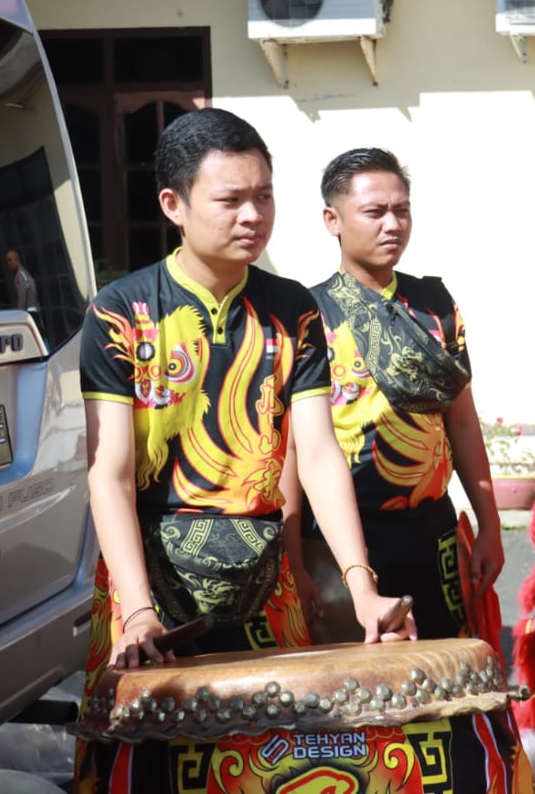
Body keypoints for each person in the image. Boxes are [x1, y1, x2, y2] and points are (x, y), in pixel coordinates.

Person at [73, 110, 414, 792]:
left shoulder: (293, 310)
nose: (253, 214)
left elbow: (316, 455)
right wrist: (136, 608)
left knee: (286, 766)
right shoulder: (121, 312)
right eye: (230, 199)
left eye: (264, 195)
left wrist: (361, 586)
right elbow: (107, 475)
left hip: (267, 590)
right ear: (173, 204)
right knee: (148, 773)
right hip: (152, 600)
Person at [291, 147, 505, 641]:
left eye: (401, 209)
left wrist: (489, 522)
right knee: (358, 696)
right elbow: (294, 448)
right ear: (333, 219)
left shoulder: (435, 306)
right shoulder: (307, 315)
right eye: (374, 212)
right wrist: (294, 559)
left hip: (432, 530)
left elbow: (463, 421)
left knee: (443, 681)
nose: (393, 224)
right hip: (345, 541)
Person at [6, 248, 38, 316]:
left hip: (29, 312)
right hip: (32, 310)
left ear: (16, 259)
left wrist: (19, 314)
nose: (8, 263)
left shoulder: (19, 275)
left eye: (10, 260)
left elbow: (22, 296)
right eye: (7, 261)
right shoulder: (24, 273)